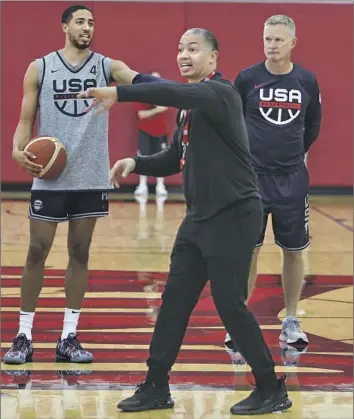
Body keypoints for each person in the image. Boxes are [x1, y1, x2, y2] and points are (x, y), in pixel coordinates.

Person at [78, 28, 292, 415]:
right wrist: (136, 162)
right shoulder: (190, 108)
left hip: (234, 216)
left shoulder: (219, 94)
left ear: (213, 58)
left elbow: (173, 92)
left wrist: (121, 92)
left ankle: (270, 387)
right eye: (179, 49)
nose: (184, 55)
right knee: (174, 301)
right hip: (198, 220)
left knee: (230, 304)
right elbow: (174, 157)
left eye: (193, 49)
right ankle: (156, 385)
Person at [4, 4, 139, 365]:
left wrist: (179, 88)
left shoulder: (105, 66)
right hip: (52, 177)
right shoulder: (41, 67)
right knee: (37, 249)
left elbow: (136, 79)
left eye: (91, 22)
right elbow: (25, 118)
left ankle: (68, 336)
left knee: (80, 251)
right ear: (65, 27)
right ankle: (23, 335)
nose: (87, 27)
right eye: (80, 21)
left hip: (91, 175)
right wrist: (17, 150)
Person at [224, 15, 321, 357]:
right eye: (267, 38)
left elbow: (311, 128)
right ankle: (239, 321)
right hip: (251, 180)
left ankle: (291, 319)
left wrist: (290, 156)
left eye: (279, 39)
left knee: (293, 250)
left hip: (292, 180)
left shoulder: (307, 81)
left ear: (293, 42)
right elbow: (233, 124)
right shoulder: (247, 79)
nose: (272, 45)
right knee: (248, 249)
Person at [134, 71, 169, 197]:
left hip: (161, 131)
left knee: (162, 158)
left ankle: (161, 186)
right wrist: (158, 109)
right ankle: (142, 186)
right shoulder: (142, 96)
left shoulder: (164, 96)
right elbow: (141, 115)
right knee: (143, 158)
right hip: (145, 130)